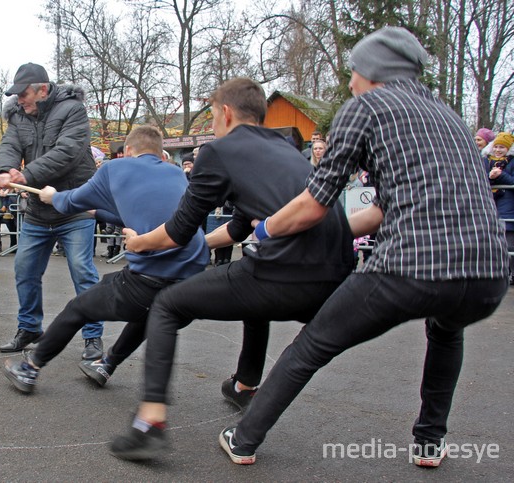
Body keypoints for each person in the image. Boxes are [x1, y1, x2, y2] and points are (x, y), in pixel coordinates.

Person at [207, 27, 508, 468]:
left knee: (312, 344)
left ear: (372, 71)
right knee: (446, 331)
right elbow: (381, 210)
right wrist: (328, 234)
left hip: (409, 265)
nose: (349, 82)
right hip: (488, 274)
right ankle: (429, 442)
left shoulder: (364, 108)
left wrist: (268, 229)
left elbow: (314, 203)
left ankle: (245, 437)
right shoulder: (449, 117)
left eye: (353, 71)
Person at [108, 77, 355, 461]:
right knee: (251, 298)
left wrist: (139, 242)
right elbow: (240, 227)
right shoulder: (286, 148)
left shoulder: (218, 152)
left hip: (285, 272)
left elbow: (177, 231)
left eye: (211, 114)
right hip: (336, 276)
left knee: (167, 305)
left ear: (224, 113)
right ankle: (245, 385)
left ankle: (150, 423)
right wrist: (200, 244)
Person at [2, 125, 209, 393]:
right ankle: (106, 365)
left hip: (149, 279)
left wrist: (52, 196)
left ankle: (29, 369)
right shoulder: (176, 174)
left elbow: (70, 201)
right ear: (162, 154)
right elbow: (137, 213)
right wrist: (96, 213)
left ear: (127, 151)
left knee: (78, 308)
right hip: (192, 287)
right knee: (153, 313)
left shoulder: (114, 168)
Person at [0, 62, 103, 360]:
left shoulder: (72, 110)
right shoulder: (18, 115)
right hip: (38, 212)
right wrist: (5, 169)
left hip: (73, 207)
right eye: (16, 95)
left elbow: (67, 152)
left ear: (42, 89)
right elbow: (10, 144)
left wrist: (25, 176)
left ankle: (93, 337)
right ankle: (29, 328)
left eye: (24, 93)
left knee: (83, 272)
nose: (19, 100)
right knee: (25, 270)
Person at [487, 132, 514, 284]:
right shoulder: (488, 161)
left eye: (502, 147)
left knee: (509, 244)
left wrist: (500, 175)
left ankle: (511, 274)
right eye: (496, 146)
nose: (498, 150)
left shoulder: (510, 163)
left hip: (508, 206)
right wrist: (491, 177)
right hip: (494, 206)